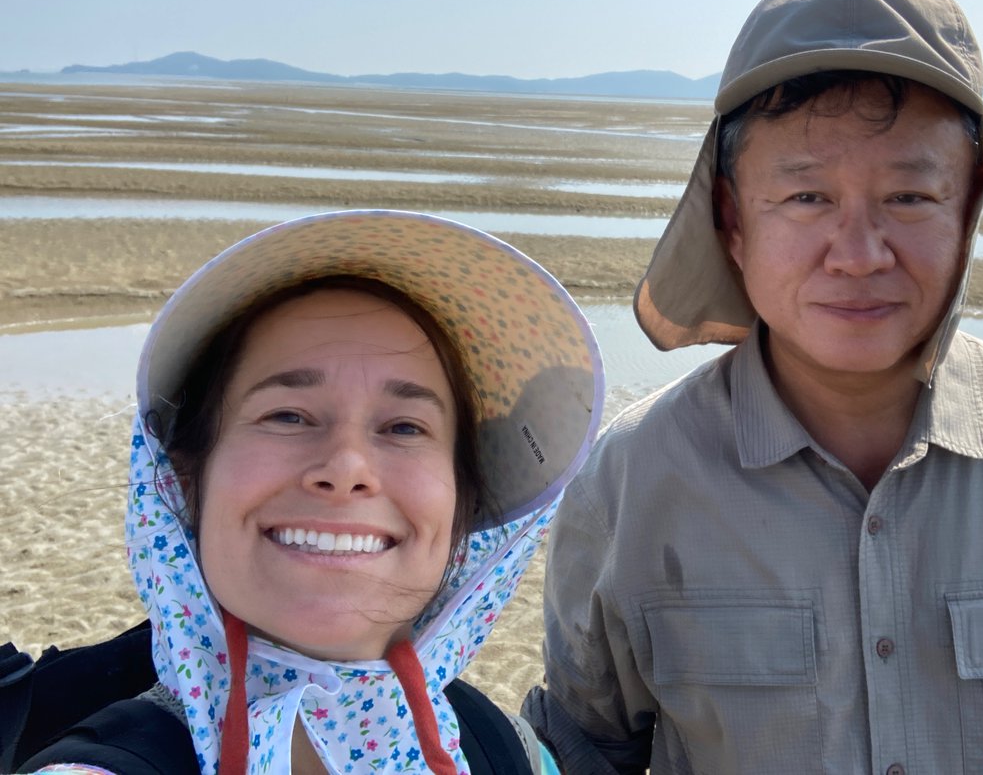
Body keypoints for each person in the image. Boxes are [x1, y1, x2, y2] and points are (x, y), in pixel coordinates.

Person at [524, 0, 983, 772]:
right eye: (806, 199)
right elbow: (582, 753)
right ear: (733, 223)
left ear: (968, 211)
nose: (858, 254)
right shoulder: (628, 484)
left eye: (909, 198)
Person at [15, 209, 604, 774]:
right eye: (288, 415)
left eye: (404, 427)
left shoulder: (508, 751)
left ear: (461, 503)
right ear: (187, 481)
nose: (346, 466)